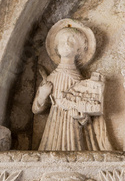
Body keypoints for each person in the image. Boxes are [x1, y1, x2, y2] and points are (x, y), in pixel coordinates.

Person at [32, 19, 112, 151]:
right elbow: (36, 109)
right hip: (54, 128)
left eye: (72, 41)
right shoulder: (51, 78)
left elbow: (89, 115)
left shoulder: (81, 82)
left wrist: (81, 117)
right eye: (62, 41)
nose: (66, 44)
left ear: (79, 50)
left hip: (72, 130)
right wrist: (42, 95)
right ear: (56, 47)